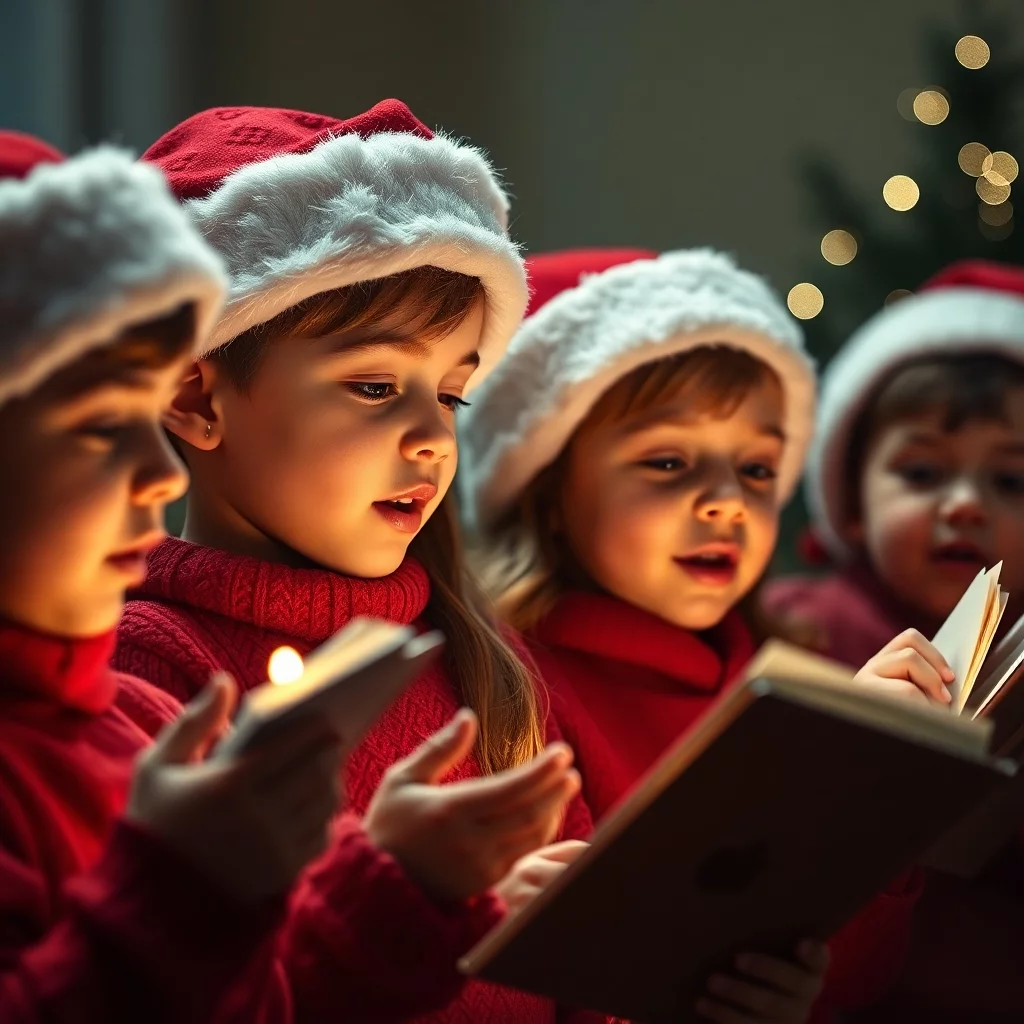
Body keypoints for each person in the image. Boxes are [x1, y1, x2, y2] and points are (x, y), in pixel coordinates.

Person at [0, 129, 578, 1024]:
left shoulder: (476, 663)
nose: (434, 436)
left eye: (453, 395)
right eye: (378, 387)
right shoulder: (161, 682)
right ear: (196, 399)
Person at [460, 248, 957, 1024]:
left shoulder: (789, 671)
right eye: (668, 461)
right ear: (548, 489)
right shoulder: (508, 687)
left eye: (757, 471)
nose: (726, 502)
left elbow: (854, 981)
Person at [764, 259, 1024, 1023]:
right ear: (849, 503)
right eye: (921, 473)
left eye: (1012, 482)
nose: (965, 505)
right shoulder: (800, 628)